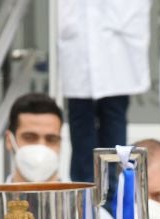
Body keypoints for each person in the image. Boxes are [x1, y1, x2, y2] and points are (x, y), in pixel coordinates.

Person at [59, 0, 151, 184]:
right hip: (79, 47)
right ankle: (83, 190)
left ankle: (113, 193)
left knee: (114, 127)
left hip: (118, 49)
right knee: (81, 129)